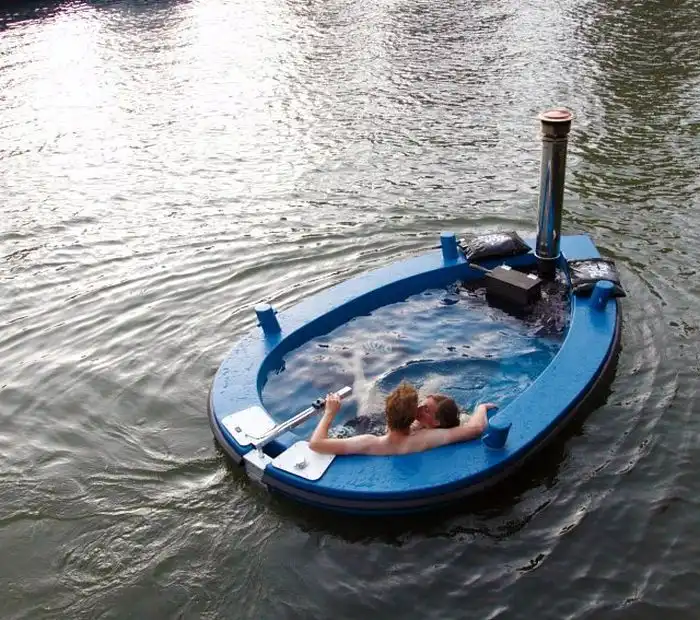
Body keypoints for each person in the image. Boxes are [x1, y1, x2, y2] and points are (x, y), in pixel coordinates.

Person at [309, 381, 496, 456]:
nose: (420, 408)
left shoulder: (370, 443)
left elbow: (315, 444)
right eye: (419, 407)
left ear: (387, 412)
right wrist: (481, 407)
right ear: (413, 418)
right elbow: (476, 429)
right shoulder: (425, 438)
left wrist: (329, 413)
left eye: (425, 409)